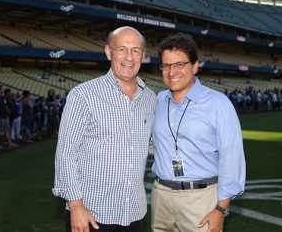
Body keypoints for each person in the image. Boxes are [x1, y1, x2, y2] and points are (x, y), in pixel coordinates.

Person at [52, 26, 157, 232]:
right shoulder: (83, 95)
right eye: (122, 49)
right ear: (108, 52)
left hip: (134, 212)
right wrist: (76, 207)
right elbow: (66, 153)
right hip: (92, 214)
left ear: (143, 56)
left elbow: (152, 145)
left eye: (135, 50)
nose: (129, 57)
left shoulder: (150, 99)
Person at [151, 33, 246, 232]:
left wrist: (221, 209)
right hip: (161, 198)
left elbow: (232, 159)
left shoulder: (218, 104)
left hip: (201, 200)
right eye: (166, 65)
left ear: (195, 66)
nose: (171, 72)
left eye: (179, 64)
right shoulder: (157, 101)